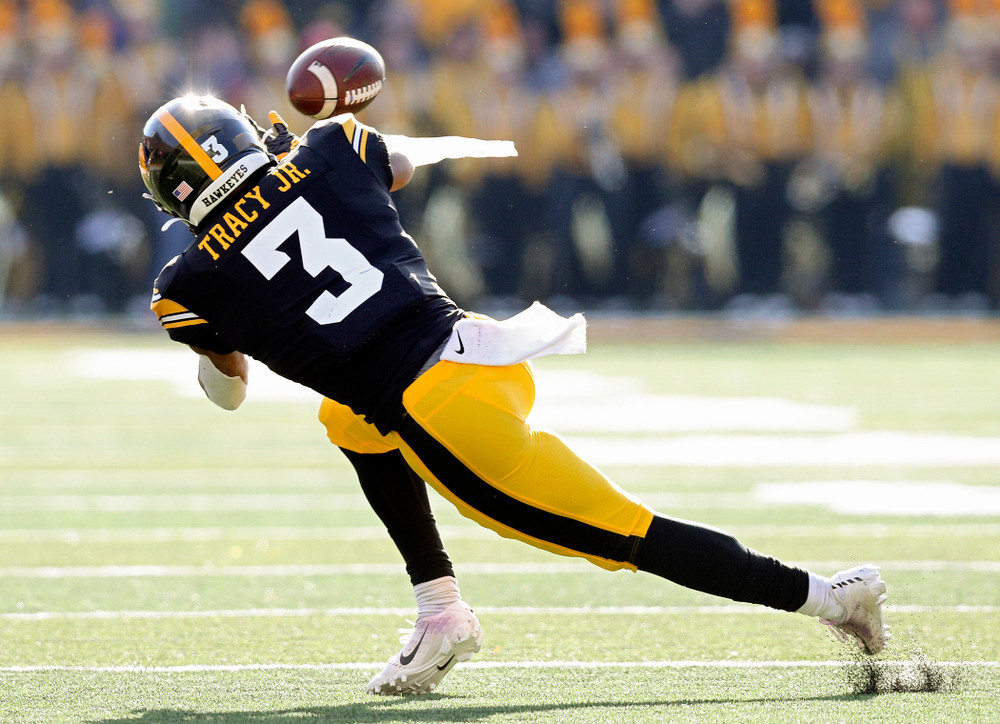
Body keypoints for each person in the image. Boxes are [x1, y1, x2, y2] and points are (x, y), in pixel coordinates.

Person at [141, 95, 889, 695]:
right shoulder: (331, 148)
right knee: (348, 417)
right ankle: (441, 614)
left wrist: (211, 344)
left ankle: (828, 596)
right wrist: (311, 136)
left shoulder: (187, 283)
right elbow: (397, 165)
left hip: (440, 414)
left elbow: (229, 393)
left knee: (626, 534)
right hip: (484, 351)